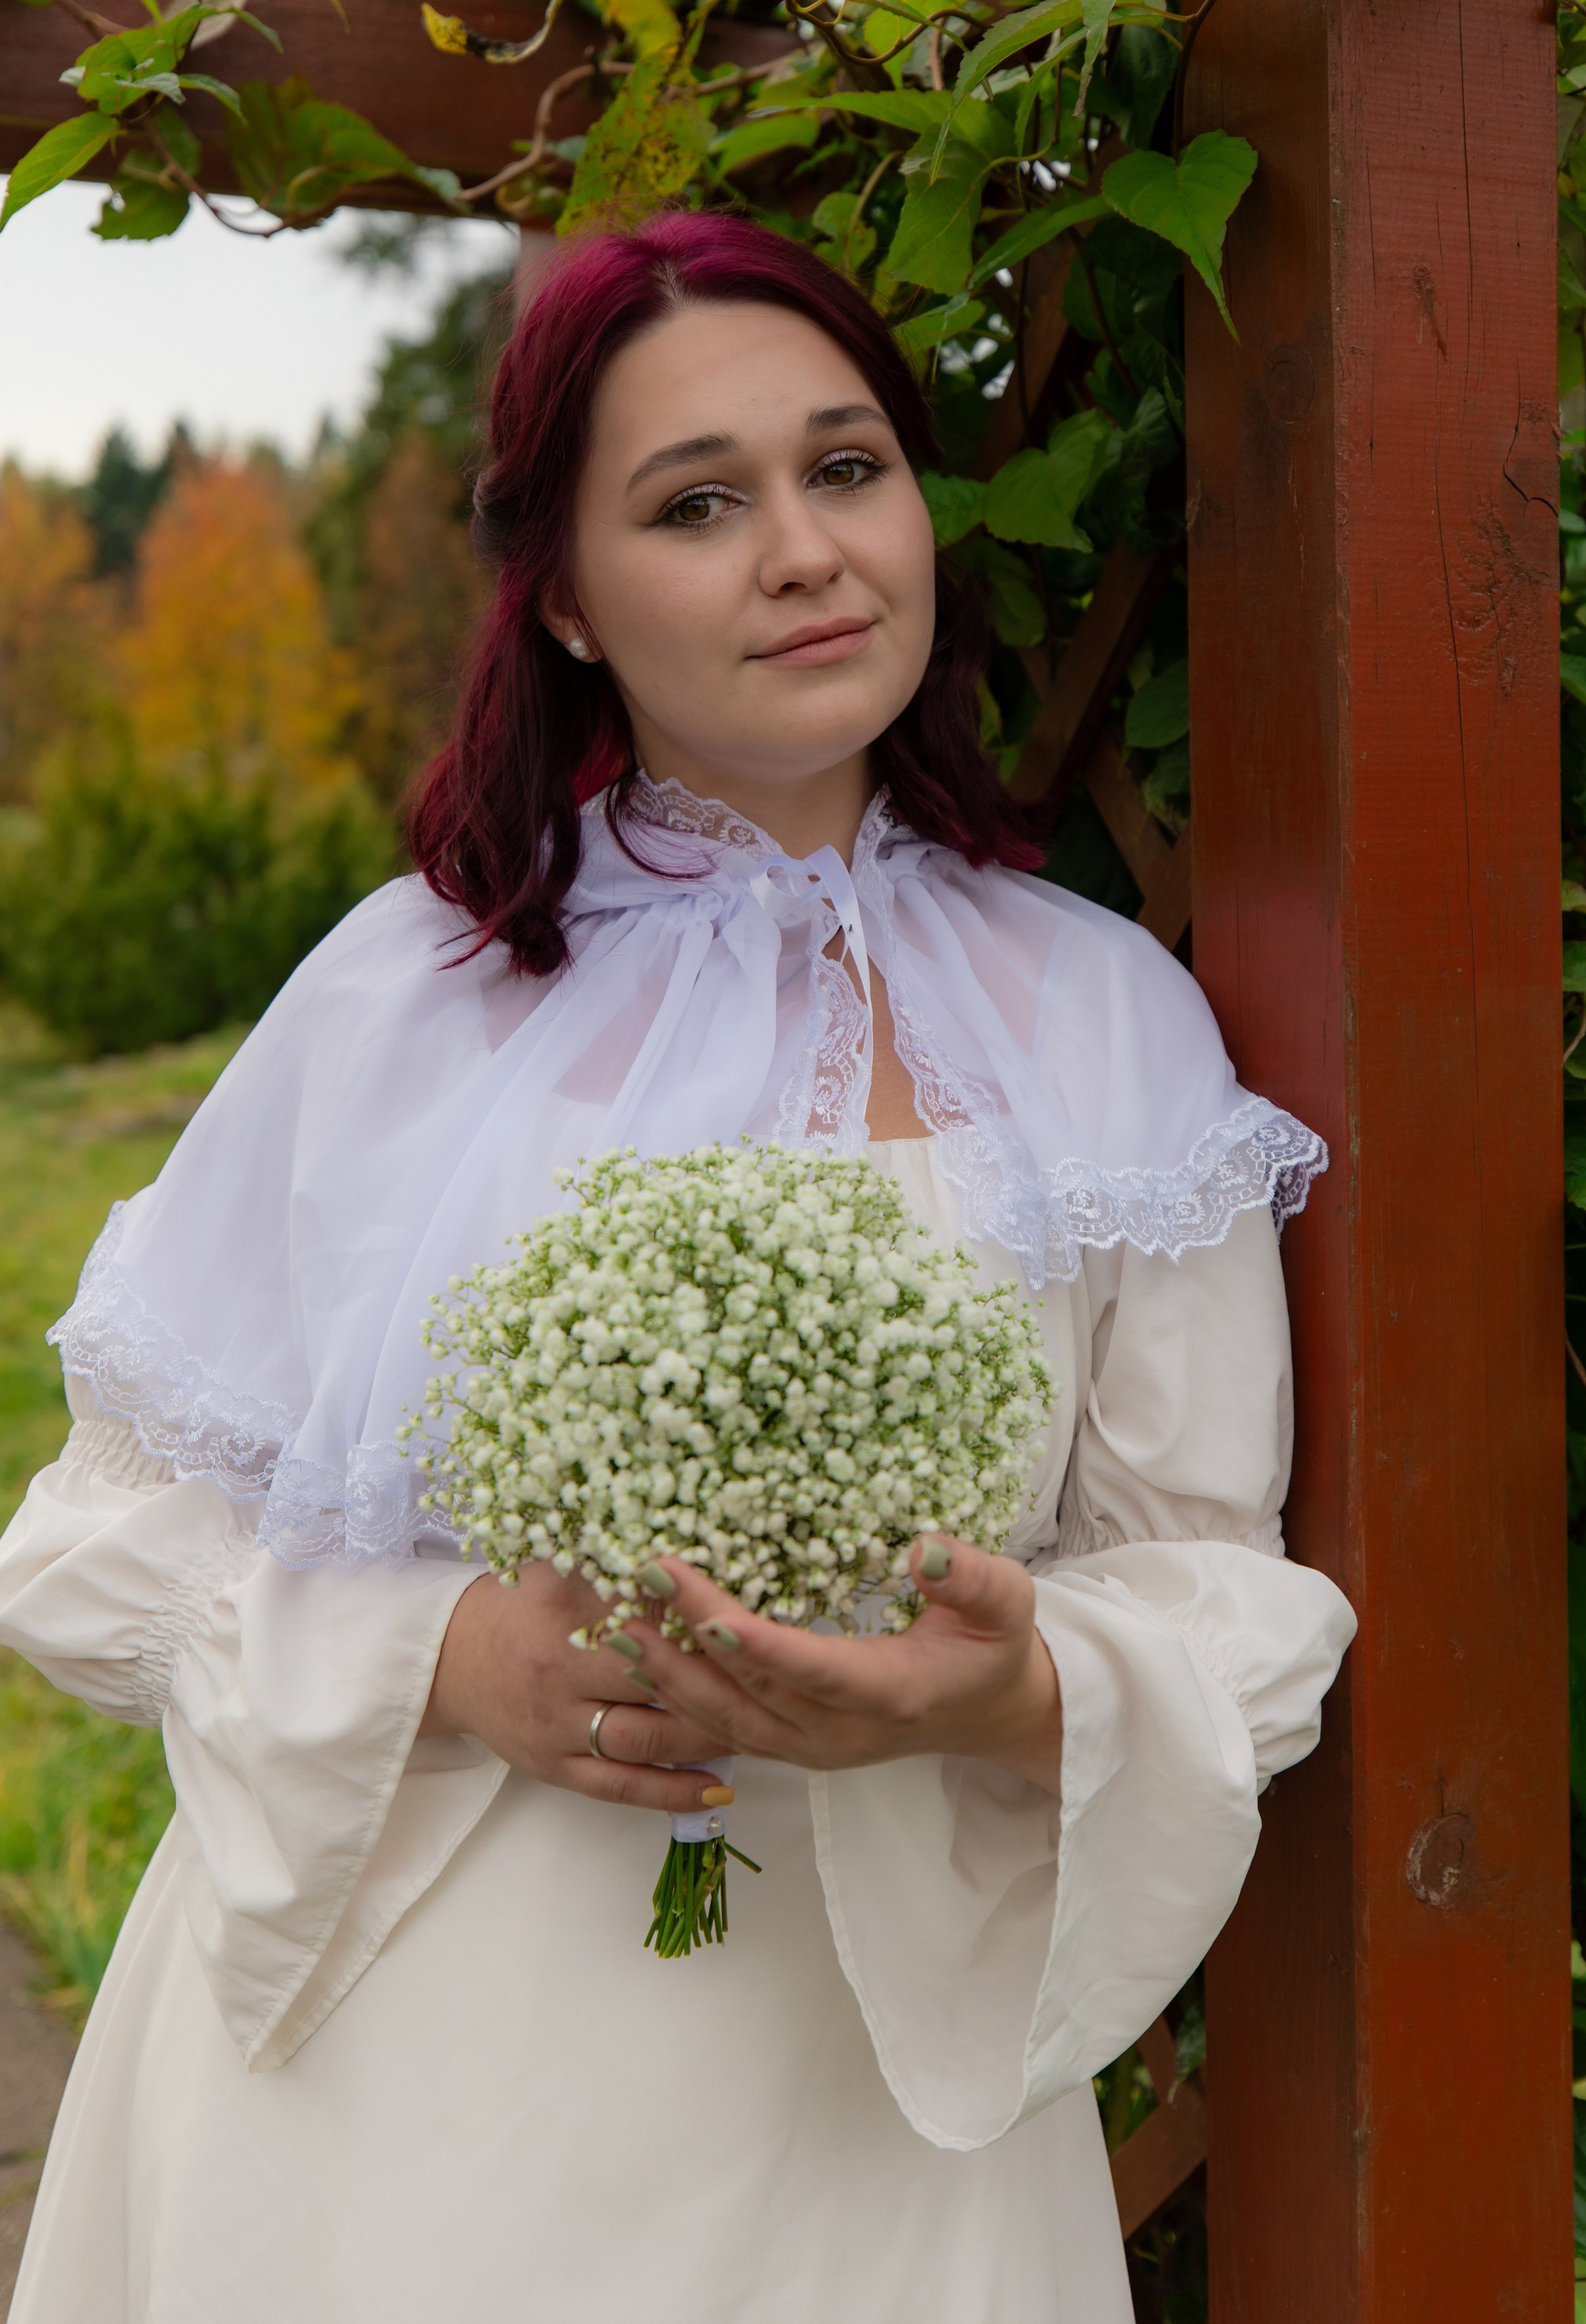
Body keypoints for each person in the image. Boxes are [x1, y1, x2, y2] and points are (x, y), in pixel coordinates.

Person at [0, 213, 1354, 2322]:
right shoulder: (404, 1002)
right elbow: (88, 1541)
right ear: (560, 603)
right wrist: (451, 1657)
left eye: (846, 468)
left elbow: (1216, 1581)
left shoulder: (1105, 1026)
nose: (805, 549)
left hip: (877, 2135)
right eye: (697, 504)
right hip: (401, 2115)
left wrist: (1013, 1689)